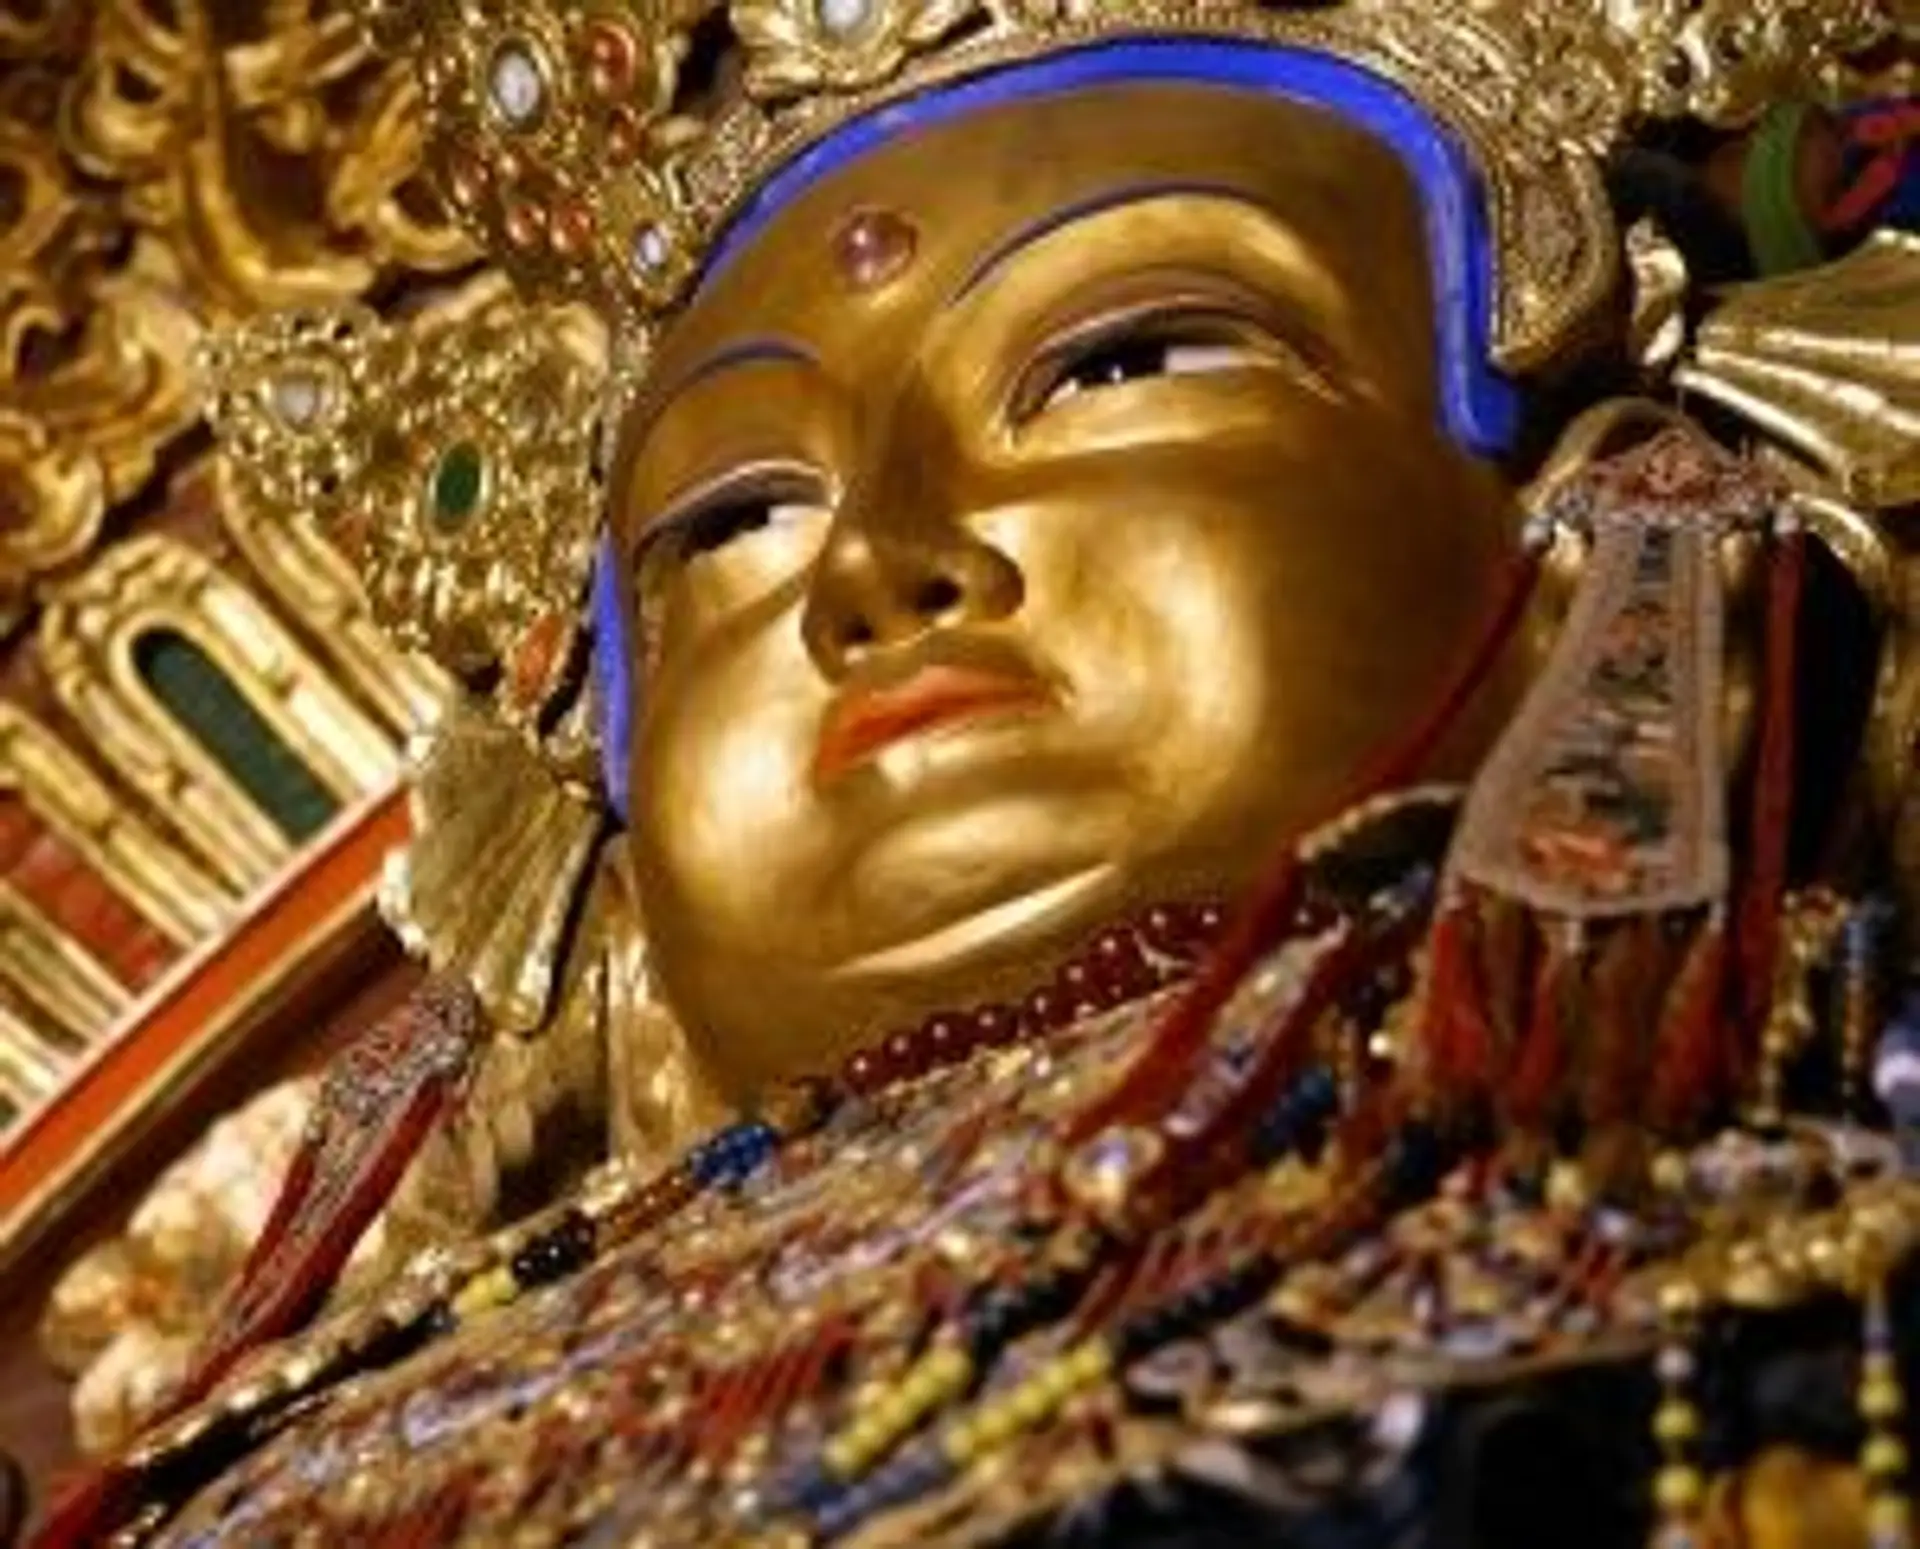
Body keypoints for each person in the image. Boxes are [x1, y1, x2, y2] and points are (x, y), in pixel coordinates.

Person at [35, 2, 1920, 1545]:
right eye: (736, 519)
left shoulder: (1749, 1205)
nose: (878, 571)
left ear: (1592, 526)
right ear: (585, 806)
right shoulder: (326, 1447)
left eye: (1119, 363)